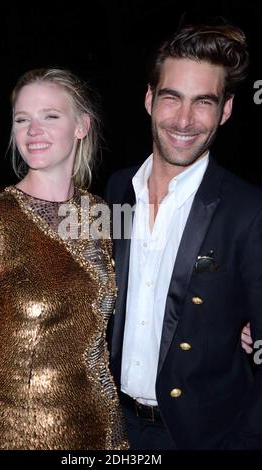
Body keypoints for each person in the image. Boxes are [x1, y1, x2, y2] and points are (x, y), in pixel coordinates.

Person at [105, 23, 262, 450]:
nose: (184, 120)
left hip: (199, 437)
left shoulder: (249, 211)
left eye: (203, 103)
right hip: (108, 427)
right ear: (149, 99)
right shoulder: (116, 192)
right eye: (172, 97)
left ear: (225, 110)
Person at [0, 68, 128, 450]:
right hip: (18, 431)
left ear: (81, 126)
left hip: (103, 426)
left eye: (50, 116)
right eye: (22, 119)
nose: (33, 130)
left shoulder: (100, 212)